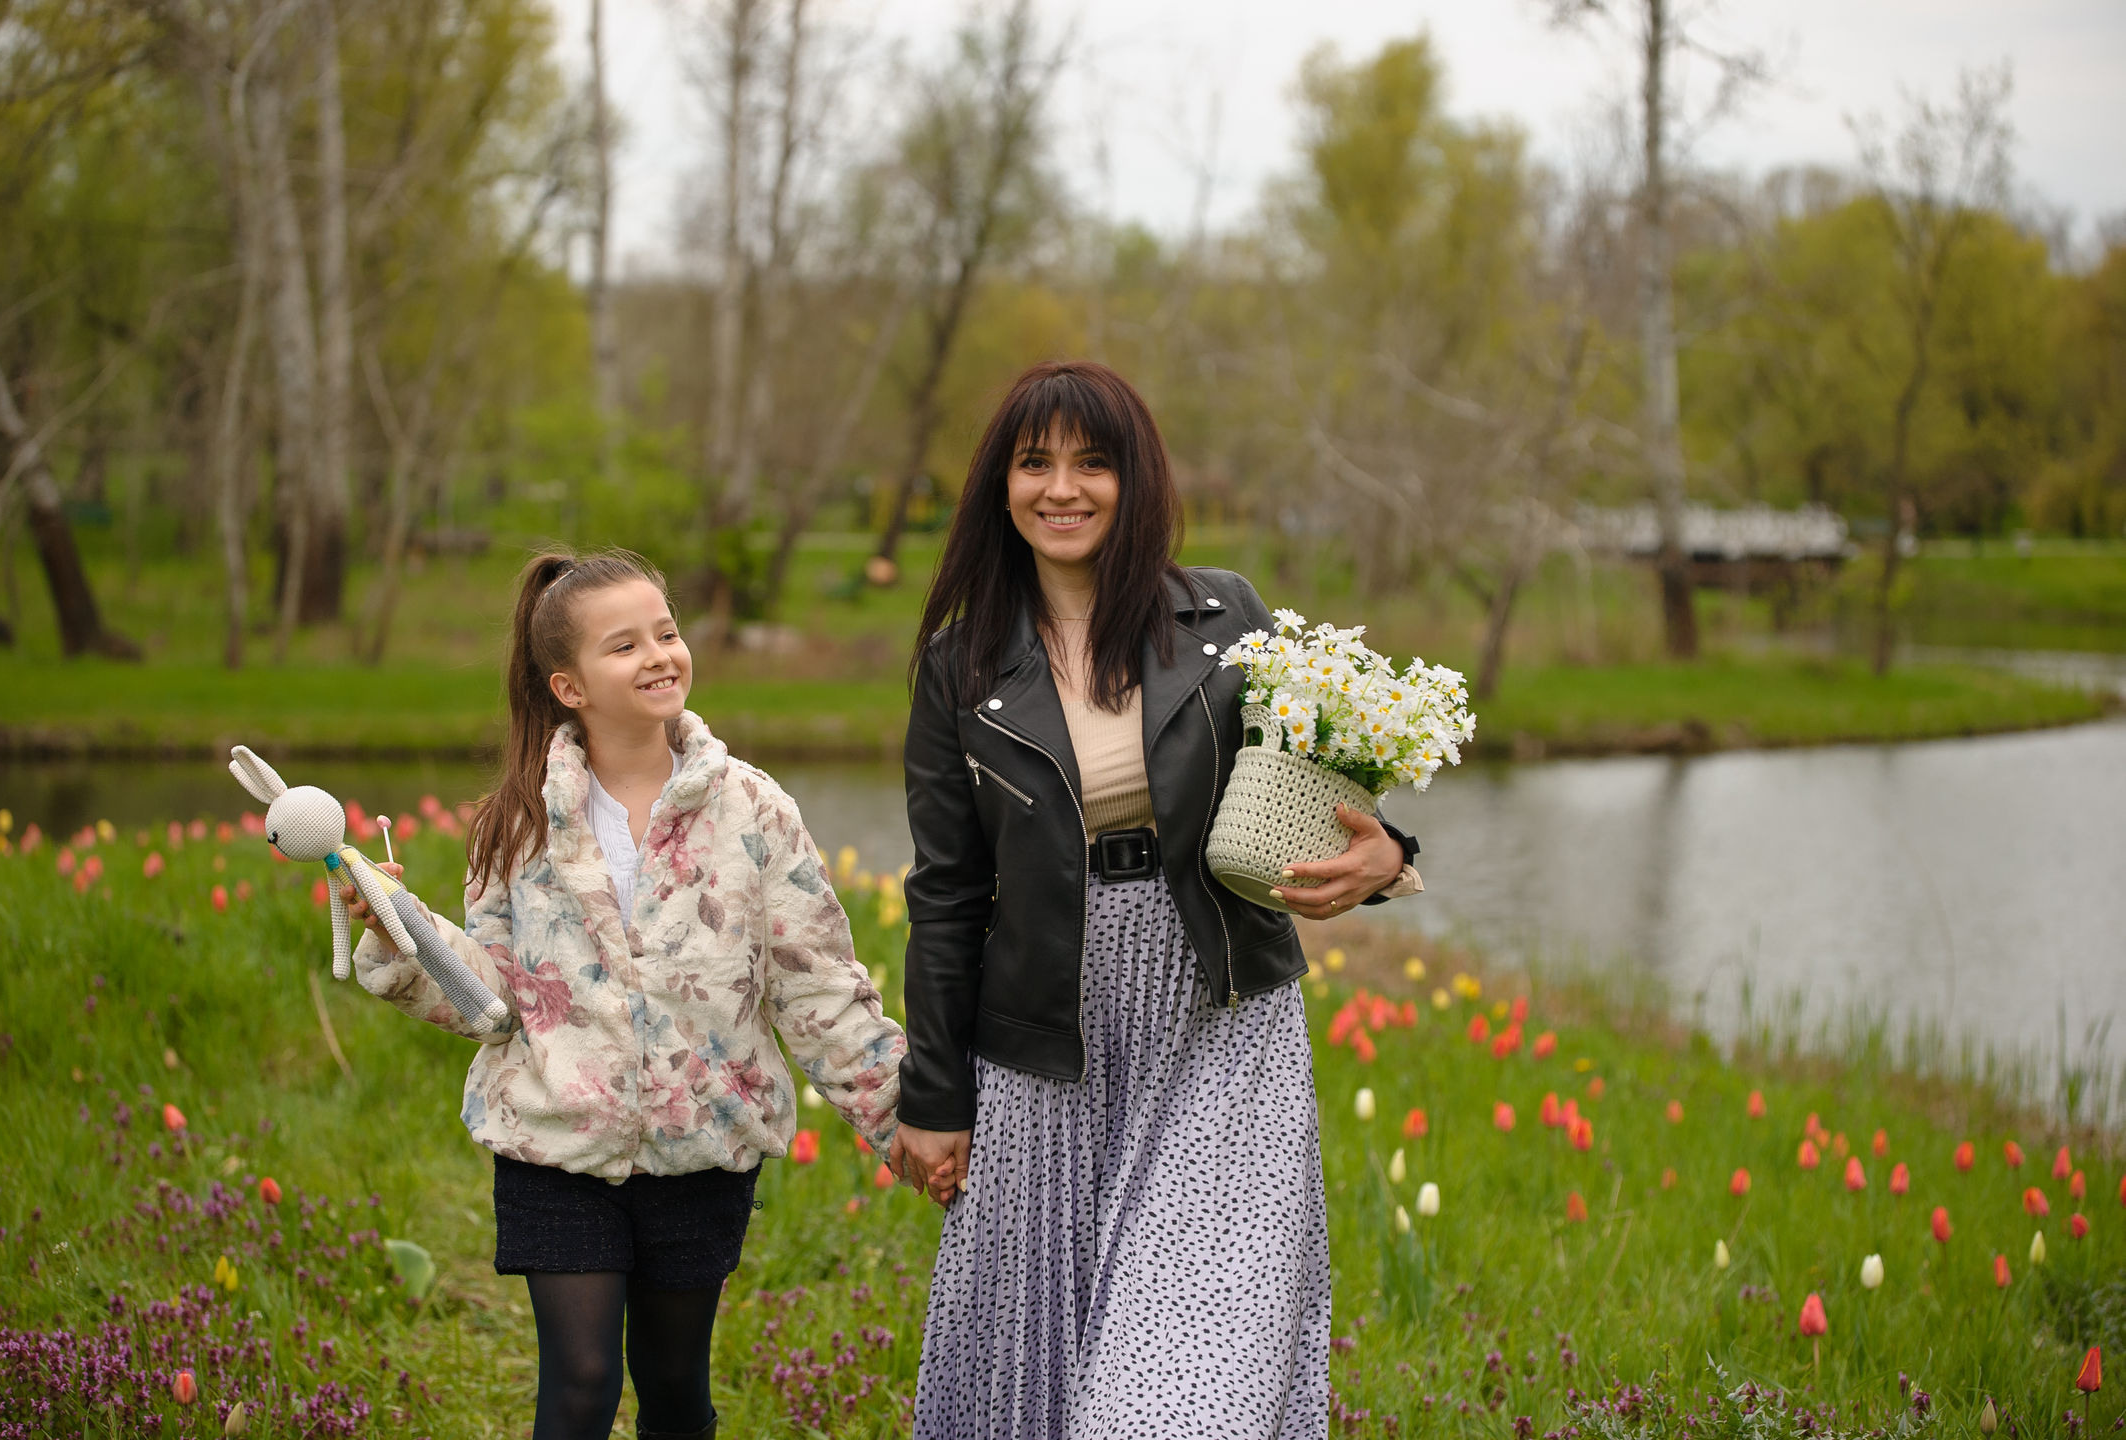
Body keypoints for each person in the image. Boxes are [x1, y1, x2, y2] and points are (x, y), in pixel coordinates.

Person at [894, 360, 1423, 1439]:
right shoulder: (959, 664)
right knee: (1027, 1356)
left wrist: (1390, 857)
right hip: (1045, 1033)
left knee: (1186, 1374)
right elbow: (946, 894)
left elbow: (1318, 789)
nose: (1063, 488)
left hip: (1220, 1016)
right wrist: (934, 1094)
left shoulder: (1224, 616)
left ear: (1137, 482)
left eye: (1094, 463)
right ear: (1000, 483)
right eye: (1035, 462)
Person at [341, 549, 905, 1440]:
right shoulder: (517, 820)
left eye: (667, 633)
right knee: (582, 1379)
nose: (658, 655)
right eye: (624, 645)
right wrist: (397, 931)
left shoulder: (753, 810)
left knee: (674, 1385)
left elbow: (818, 987)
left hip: (703, 1146)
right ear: (568, 685)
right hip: (557, 1145)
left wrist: (909, 1122)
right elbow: (492, 999)